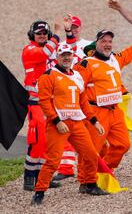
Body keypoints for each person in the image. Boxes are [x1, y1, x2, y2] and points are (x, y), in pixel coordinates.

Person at [74, 28, 132, 191]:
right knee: (92, 149)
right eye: (103, 41)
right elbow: (75, 87)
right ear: (96, 43)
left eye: (110, 41)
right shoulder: (86, 63)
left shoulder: (115, 59)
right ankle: (85, 181)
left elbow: (130, 52)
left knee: (123, 145)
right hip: (97, 111)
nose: (107, 44)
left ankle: (104, 170)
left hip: (115, 110)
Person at [31, 44, 108, 205]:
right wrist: (56, 121)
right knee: (53, 160)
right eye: (63, 55)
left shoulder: (78, 76)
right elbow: (44, 101)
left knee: (91, 154)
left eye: (69, 55)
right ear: (57, 57)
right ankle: (39, 192)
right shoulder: (49, 75)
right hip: (58, 124)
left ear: (73, 56)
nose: (66, 58)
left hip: (77, 123)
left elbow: (83, 102)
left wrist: (94, 121)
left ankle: (89, 184)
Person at [22, 18, 75, 191]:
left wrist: (68, 33)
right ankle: (29, 178)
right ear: (33, 35)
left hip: (50, 103)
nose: (43, 36)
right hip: (36, 103)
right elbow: (45, 53)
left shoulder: (50, 50)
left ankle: (41, 177)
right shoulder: (29, 50)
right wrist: (57, 33)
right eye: (39, 33)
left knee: (48, 141)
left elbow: (70, 51)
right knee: (37, 141)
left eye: (45, 33)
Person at [52, 15, 93, 181]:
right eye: (71, 27)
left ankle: (90, 167)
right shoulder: (62, 46)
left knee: (89, 132)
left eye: (76, 27)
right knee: (68, 129)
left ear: (81, 27)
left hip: (86, 92)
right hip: (68, 93)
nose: (74, 29)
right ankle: (66, 167)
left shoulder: (89, 45)